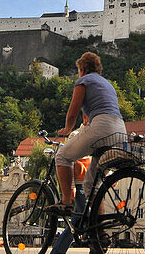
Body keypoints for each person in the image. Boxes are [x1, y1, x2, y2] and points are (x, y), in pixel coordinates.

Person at [47, 52, 126, 213]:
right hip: (120, 130)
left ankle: (66, 201)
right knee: (91, 185)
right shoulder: (107, 84)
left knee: (62, 156)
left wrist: (67, 129)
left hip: (102, 127)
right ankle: (100, 232)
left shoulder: (84, 81)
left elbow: (73, 111)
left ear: (82, 68)